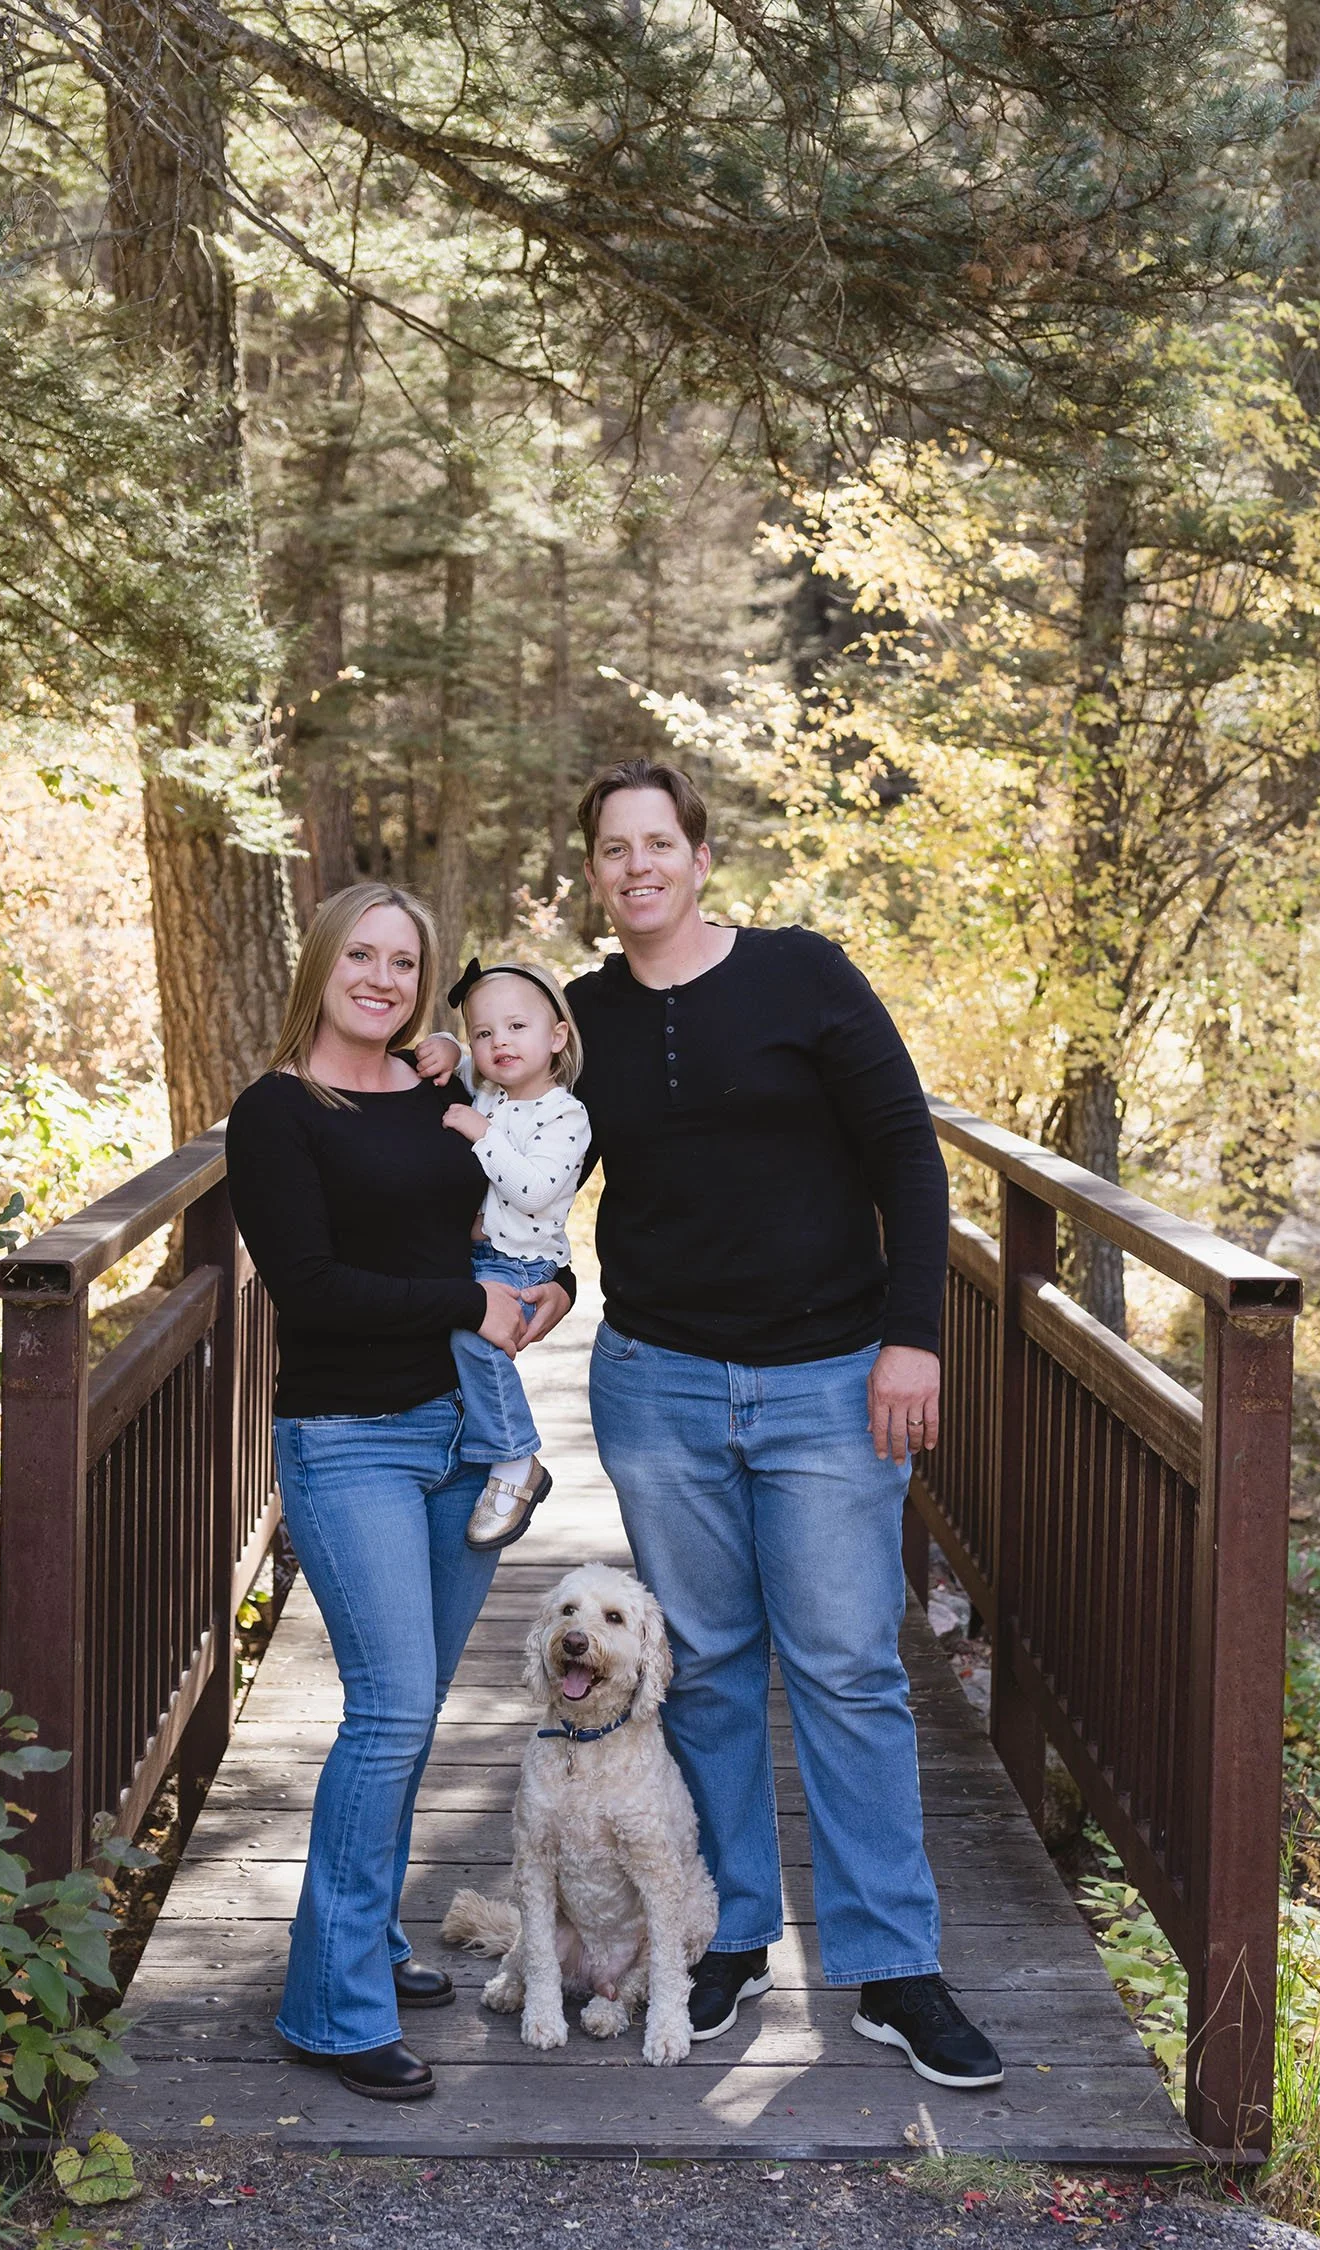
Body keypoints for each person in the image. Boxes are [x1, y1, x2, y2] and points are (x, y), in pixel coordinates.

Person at [563, 757, 1004, 2090]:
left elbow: (908, 1160)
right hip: (659, 1385)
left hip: (827, 1381)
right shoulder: (583, 1018)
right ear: (595, 874)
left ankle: (893, 1964)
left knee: (849, 1669)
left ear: (700, 856)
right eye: (612, 850)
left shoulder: (806, 973)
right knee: (700, 1669)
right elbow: (521, 1156)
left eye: (659, 843)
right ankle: (731, 1931)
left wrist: (912, 1334)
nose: (637, 866)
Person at [225, 883, 573, 2103]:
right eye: (361, 955)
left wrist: (544, 1302)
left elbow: (516, 1223)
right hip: (349, 1436)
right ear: (321, 963)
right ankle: (328, 2008)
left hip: (464, 1437)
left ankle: (364, 1941)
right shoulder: (275, 1113)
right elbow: (311, 1288)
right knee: (386, 1711)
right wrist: (463, 1306)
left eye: (403, 961)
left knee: (412, 1711)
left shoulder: (444, 1091)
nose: (380, 976)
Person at [435, 958, 591, 1550]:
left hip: (522, 1265)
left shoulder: (564, 1115)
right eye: (483, 1032)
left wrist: (481, 1132)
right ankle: (468, 1457)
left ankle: (514, 1458)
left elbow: (535, 1190)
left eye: (517, 1027)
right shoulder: (490, 1092)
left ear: (556, 1038)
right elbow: (457, 1058)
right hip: (480, 1258)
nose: (499, 1041)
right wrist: (448, 1046)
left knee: (474, 1341)